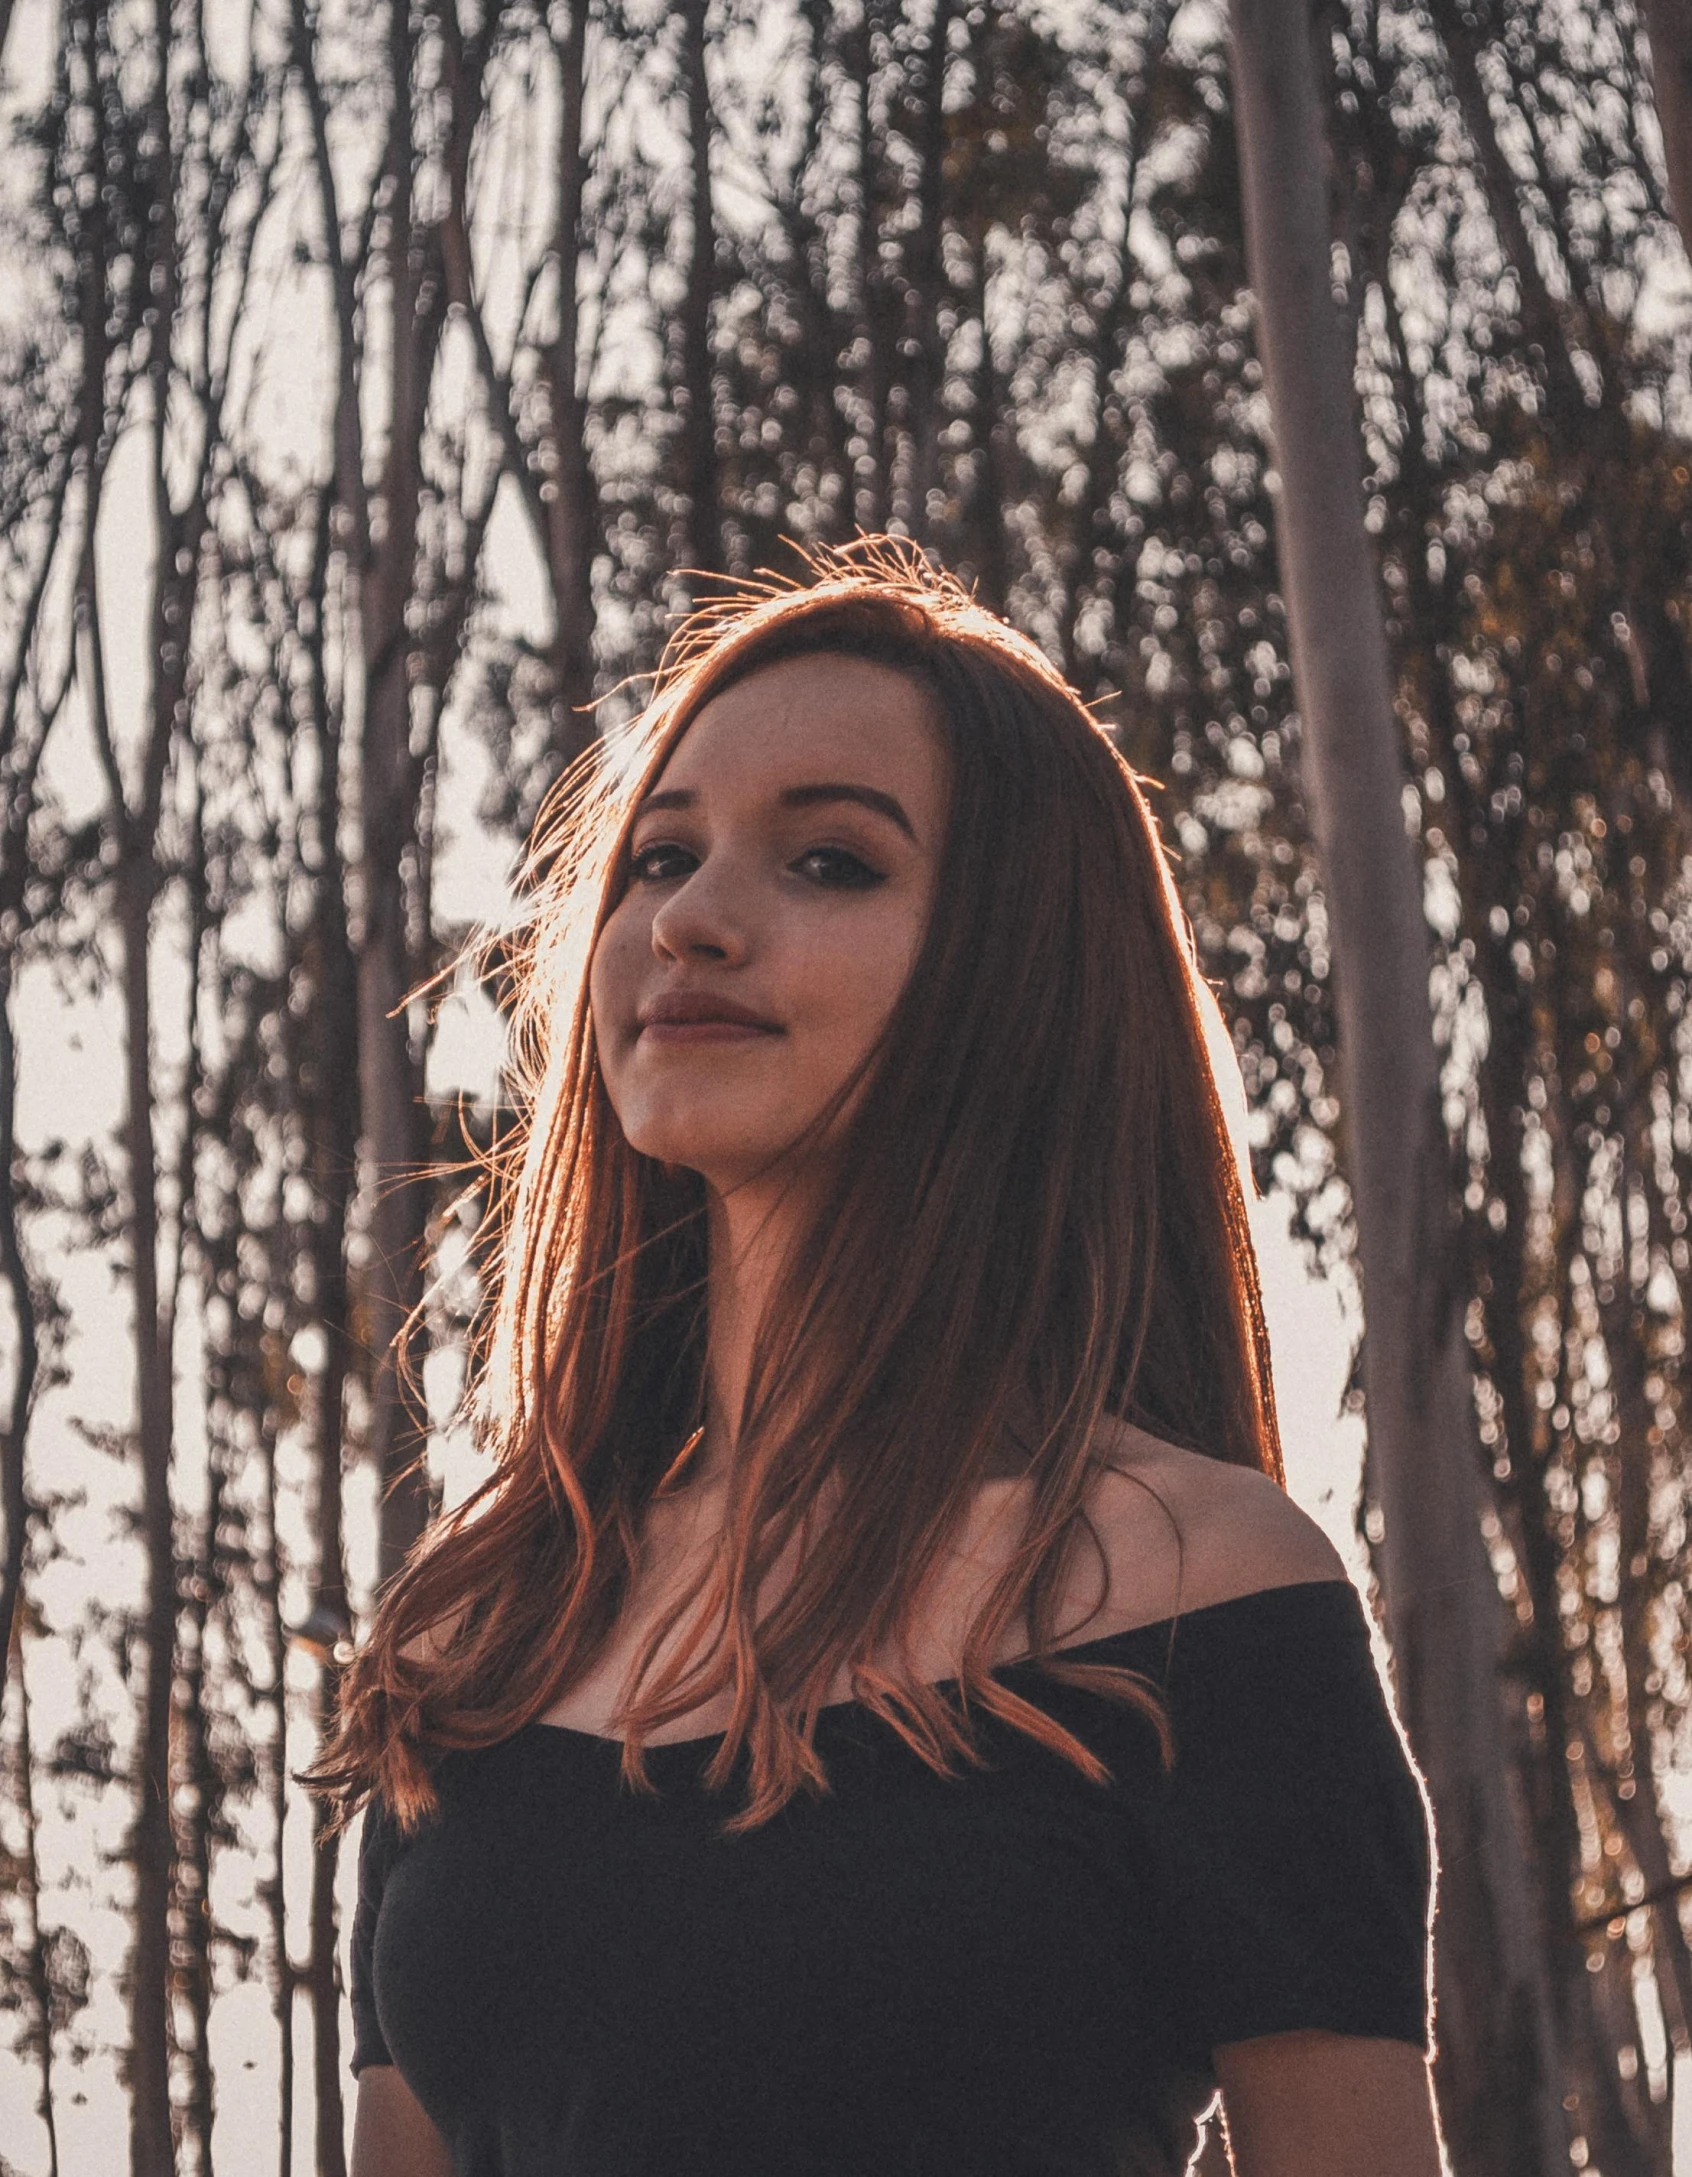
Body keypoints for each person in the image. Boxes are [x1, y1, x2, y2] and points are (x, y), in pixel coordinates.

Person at [309, 544, 1441, 2177]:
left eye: (831, 862)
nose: (690, 920)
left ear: (1016, 969)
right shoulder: (484, 1629)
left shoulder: (1201, 1588)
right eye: (659, 856)